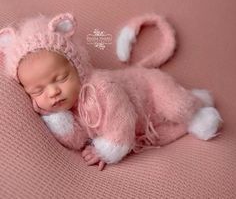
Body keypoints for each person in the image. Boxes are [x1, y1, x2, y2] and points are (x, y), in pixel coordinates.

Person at [0, 13, 222, 171]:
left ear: (77, 67)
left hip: (150, 88)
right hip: (141, 118)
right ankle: (197, 99)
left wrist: (107, 150)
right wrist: (58, 119)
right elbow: (77, 140)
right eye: (38, 90)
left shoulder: (100, 86)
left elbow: (122, 120)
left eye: (60, 78)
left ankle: (197, 111)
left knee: (177, 106)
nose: (53, 92)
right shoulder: (62, 108)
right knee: (174, 114)